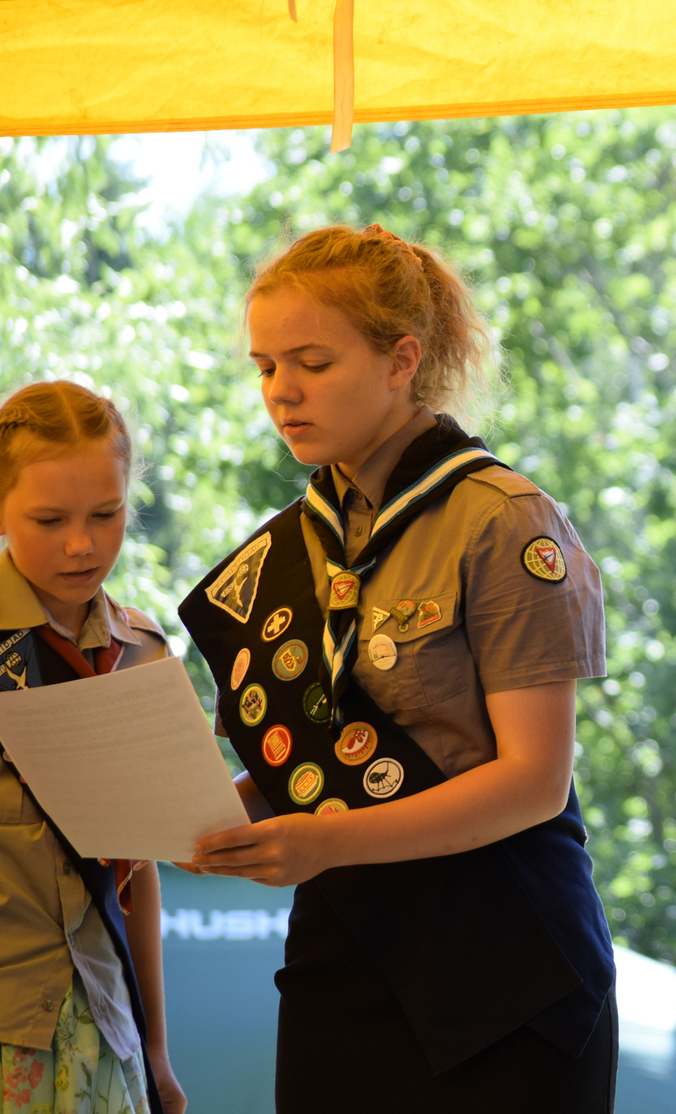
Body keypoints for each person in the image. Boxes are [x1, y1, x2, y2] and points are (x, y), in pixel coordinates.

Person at [175, 225, 616, 1111]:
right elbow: (307, 768)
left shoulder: (501, 518)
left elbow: (535, 782)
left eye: (312, 362)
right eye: (265, 366)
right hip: (345, 951)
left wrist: (321, 840)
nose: (282, 391)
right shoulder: (287, 548)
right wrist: (196, 819)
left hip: (504, 962)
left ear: (401, 360)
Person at [0, 381, 185, 1114]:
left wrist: (157, 1047)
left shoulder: (140, 652)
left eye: (106, 515)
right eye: (49, 520)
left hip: (104, 1026)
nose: (82, 544)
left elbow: (138, 872)